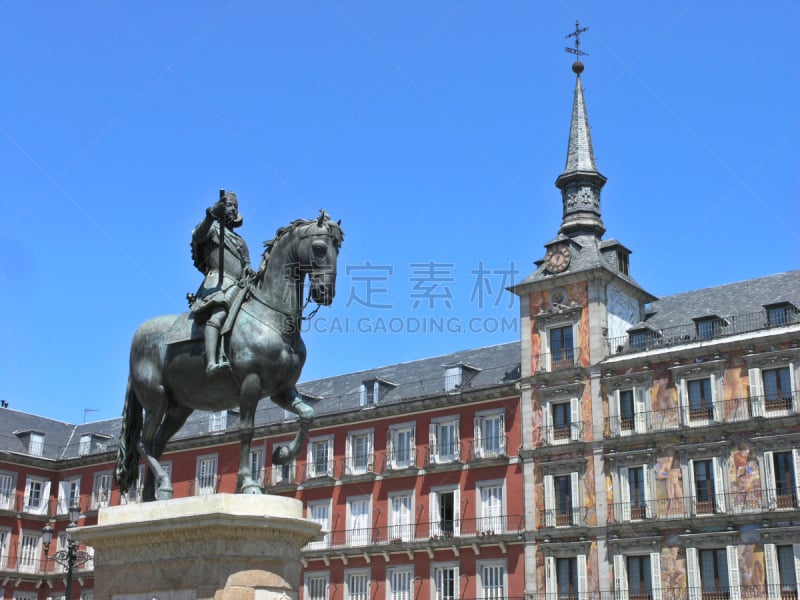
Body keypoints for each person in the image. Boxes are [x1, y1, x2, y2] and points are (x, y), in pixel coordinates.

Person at [189, 191, 252, 376]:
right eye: (229, 205)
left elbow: (247, 266)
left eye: (235, 206)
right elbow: (198, 236)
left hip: (239, 287)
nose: (232, 209)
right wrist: (211, 213)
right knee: (218, 315)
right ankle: (211, 362)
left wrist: (249, 271)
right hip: (218, 284)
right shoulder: (212, 229)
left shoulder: (241, 242)